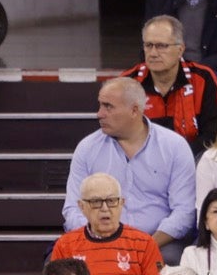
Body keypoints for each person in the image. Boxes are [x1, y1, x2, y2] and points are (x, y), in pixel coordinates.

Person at [63, 78, 196, 263]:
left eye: (108, 107)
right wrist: (101, 241)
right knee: (58, 266)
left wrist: (146, 245)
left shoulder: (174, 146)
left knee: (170, 260)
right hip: (97, 240)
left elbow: (184, 211)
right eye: (100, 105)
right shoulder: (87, 148)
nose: (99, 114)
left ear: (134, 110)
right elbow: (72, 209)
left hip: (157, 242)